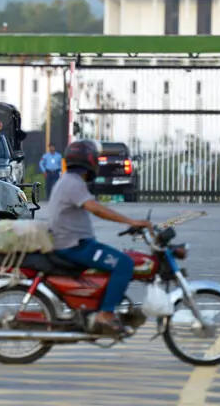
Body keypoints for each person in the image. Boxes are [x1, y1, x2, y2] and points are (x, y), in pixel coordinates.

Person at [47, 139, 152, 334]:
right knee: (124, 263)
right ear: (89, 161)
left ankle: (99, 308)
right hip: (74, 247)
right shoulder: (73, 183)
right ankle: (106, 314)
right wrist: (132, 222)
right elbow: (97, 210)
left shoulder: (69, 181)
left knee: (116, 261)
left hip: (73, 243)